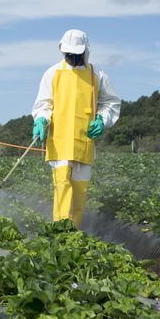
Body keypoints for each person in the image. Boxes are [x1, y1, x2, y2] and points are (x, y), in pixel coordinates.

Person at [32, 29, 120, 228]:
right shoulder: (53, 73)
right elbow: (44, 104)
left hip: (84, 142)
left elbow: (111, 103)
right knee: (62, 188)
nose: (72, 57)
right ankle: (60, 234)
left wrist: (102, 120)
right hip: (59, 142)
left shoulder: (97, 75)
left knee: (80, 194)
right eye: (68, 54)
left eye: (76, 54)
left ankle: (74, 235)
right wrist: (41, 121)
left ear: (85, 52)